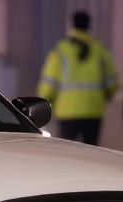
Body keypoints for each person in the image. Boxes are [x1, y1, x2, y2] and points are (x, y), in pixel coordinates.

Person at [37, 11, 118, 145]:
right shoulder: (100, 50)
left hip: (67, 112)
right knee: (91, 153)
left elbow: (49, 84)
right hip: (93, 111)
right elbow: (112, 83)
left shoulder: (60, 50)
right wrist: (107, 95)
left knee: (70, 154)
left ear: (71, 25)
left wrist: (43, 101)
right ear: (89, 26)